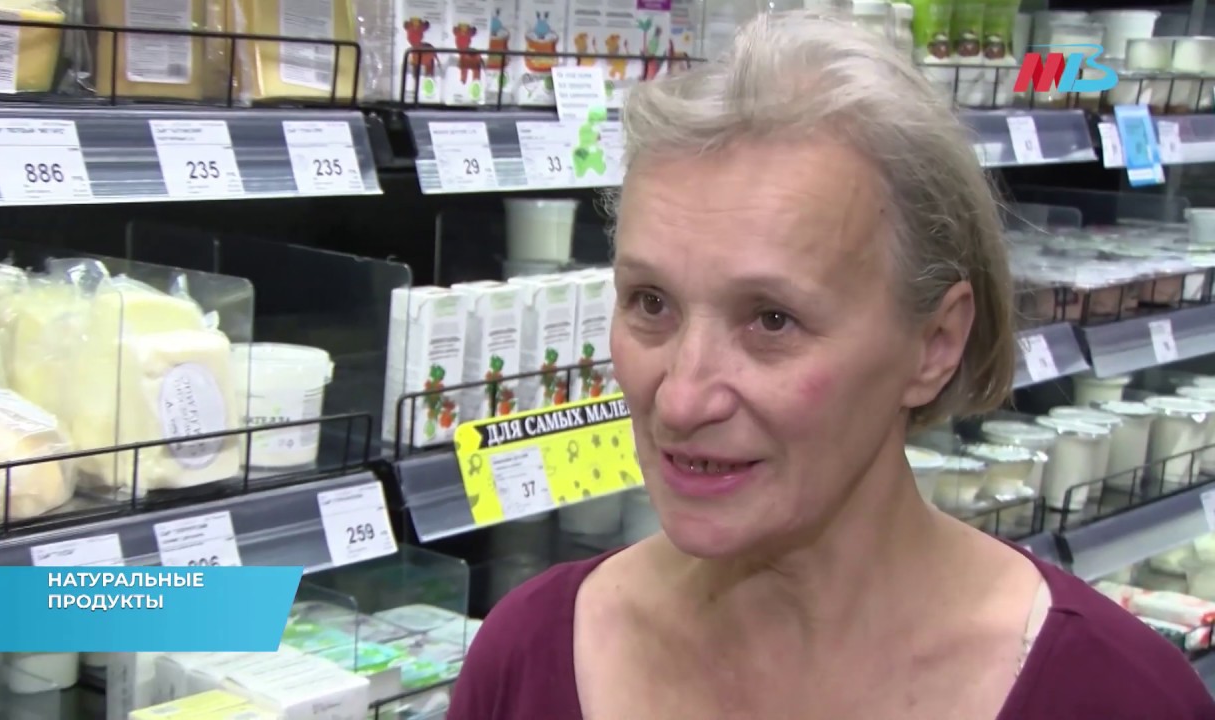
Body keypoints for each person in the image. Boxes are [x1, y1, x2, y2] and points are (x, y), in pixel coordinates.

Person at [448, 11, 1215, 720]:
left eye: (772, 320)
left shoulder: (1117, 697)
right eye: (651, 303)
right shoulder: (525, 658)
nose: (680, 400)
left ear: (935, 344)